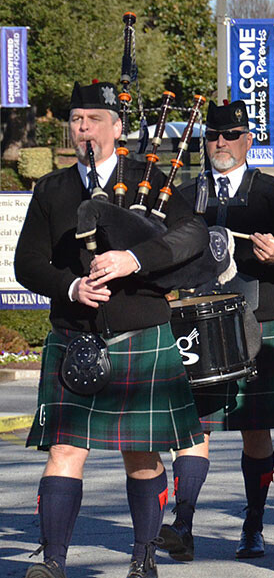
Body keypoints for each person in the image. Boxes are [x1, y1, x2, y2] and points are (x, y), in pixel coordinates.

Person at [14, 81, 209, 578]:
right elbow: (27, 263)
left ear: (117, 128)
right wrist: (72, 286)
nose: (84, 130)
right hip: (74, 335)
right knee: (64, 448)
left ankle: (143, 556)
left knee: (140, 453)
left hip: (138, 332)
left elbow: (192, 235)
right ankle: (52, 562)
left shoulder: (148, 178)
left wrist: (133, 258)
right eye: (77, 120)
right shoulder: (52, 190)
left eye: (95, 120)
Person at [155, 100, 274, 561]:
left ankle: (254, 526)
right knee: (192, 429)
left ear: (248, 141)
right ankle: (182, 525)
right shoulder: (185, 195)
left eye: (230, 136)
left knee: (255, 430)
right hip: (196, 322)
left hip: (255, 320)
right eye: (212, 137)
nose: (220, 144)